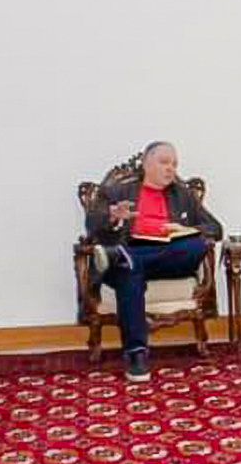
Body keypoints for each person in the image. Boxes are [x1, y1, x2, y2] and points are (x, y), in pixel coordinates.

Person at [86, 141, 224, 383]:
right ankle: (137, 354)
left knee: (198, 244)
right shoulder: (118, 191)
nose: (171, 169)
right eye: (164, 162)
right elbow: (92, 226)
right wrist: (113, 217)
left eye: (175, 164)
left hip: (170, 258)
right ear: (146, 164)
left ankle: (123, 256)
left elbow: (215, 228)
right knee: (128, 270)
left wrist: (183, 229)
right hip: (130, 256)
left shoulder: (182, 194)